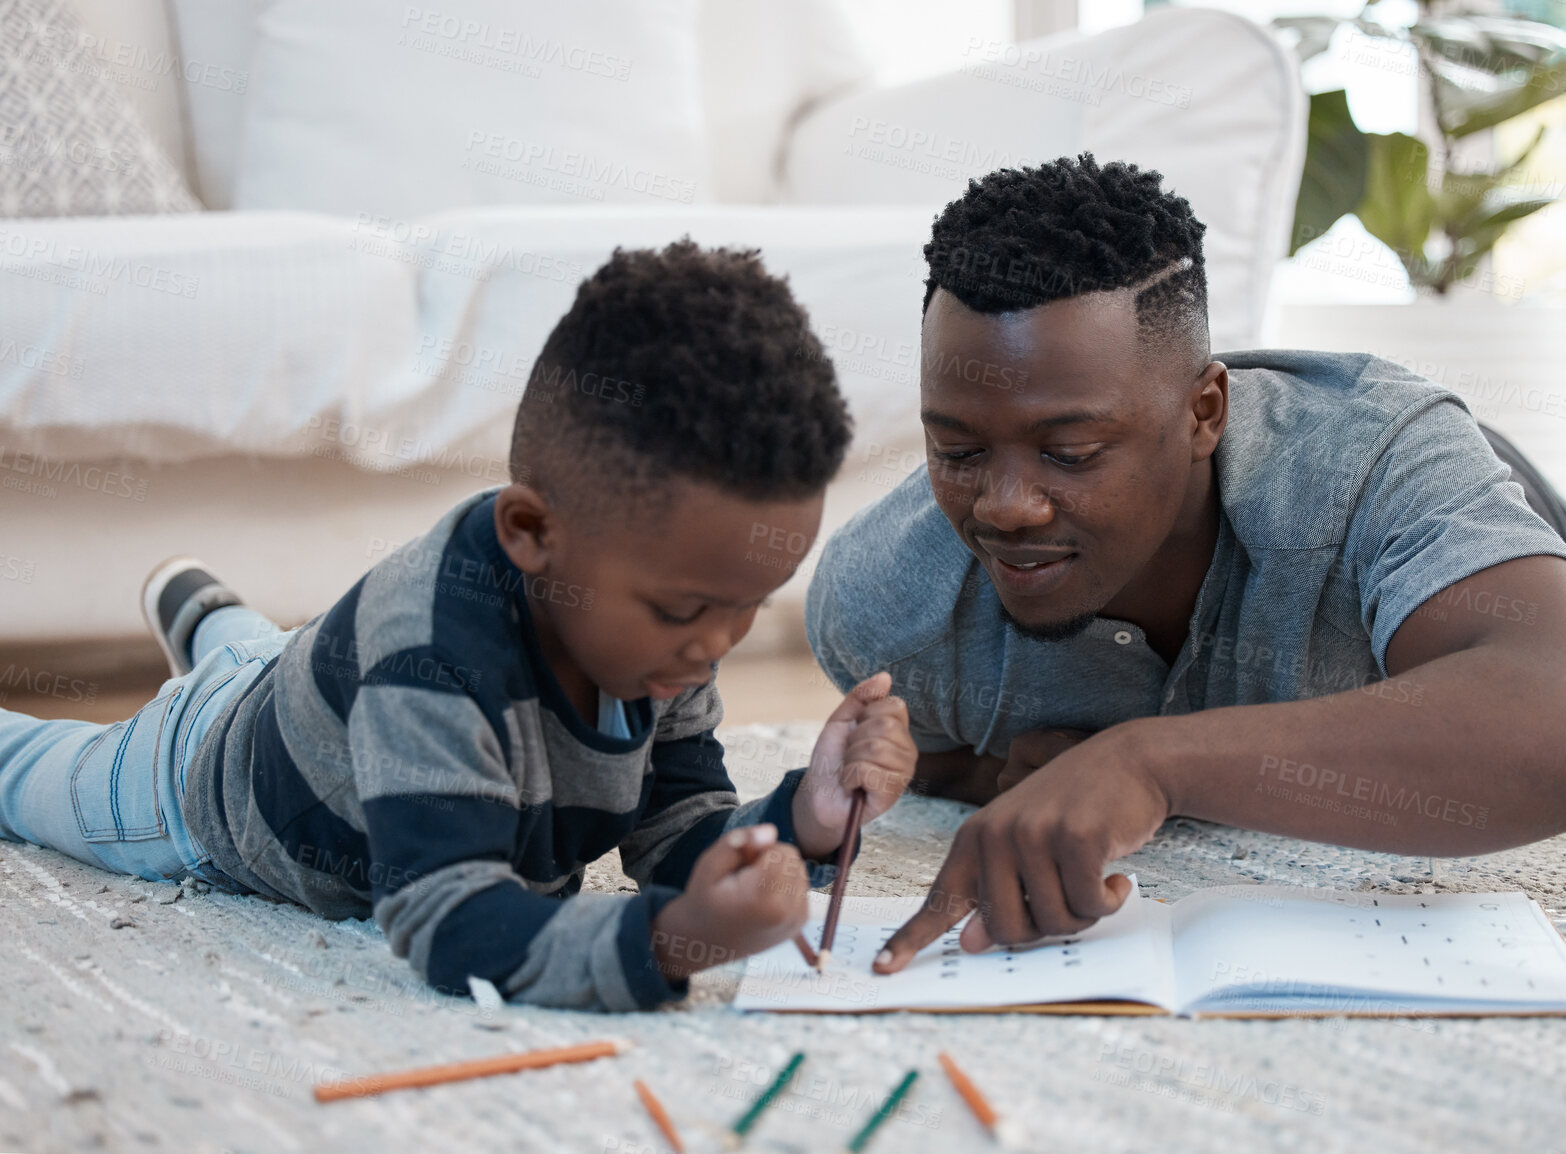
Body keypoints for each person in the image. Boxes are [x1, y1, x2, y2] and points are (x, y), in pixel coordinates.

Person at [0, 240, 916, 1010]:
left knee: (265, 659)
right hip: (196, 777)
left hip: (312, 685)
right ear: (530, 533)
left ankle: (211, 619)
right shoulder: (430, 661)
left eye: (749, 602)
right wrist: (677, 941)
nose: (720, 642)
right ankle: (211, 643)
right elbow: (445, 919)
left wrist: (804, 817)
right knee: (28, 778)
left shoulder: (665, 624)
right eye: (687, 610)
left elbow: (674, 822)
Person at [803, 155, 1566, 974]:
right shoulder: (880, 607)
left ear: (1205, 414)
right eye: (958, 448)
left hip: (1511, 512)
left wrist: (1150, 762)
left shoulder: (1374, 461)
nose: (1003, 506)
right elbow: (929, 761)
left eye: (1071, 451)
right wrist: (997, 776)